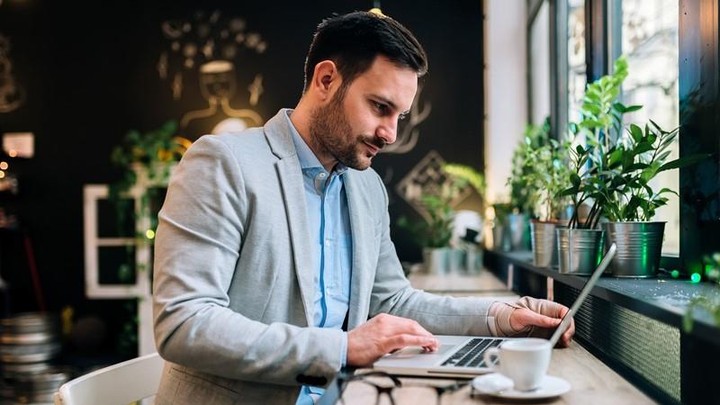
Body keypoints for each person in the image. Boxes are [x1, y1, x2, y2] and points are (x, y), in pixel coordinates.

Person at [152, 10, 574, 405]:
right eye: (380, 107)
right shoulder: (223, 163)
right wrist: (343, 347)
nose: (390, 133)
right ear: (326, 80)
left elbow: (393, 300)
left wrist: (503, 316)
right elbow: (184, 322)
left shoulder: (367, 187)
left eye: (400, 116)